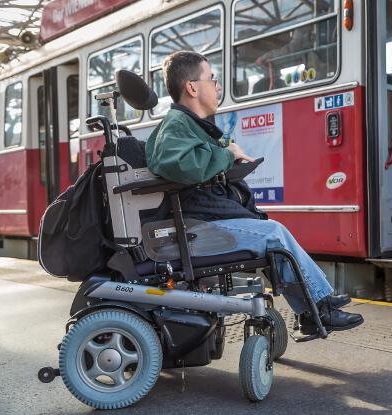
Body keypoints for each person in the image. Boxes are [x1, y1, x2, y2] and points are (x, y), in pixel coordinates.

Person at [145, 51, 363, 333]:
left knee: (273, 232)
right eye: (212, 79)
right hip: (195, 229)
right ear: (192, 87)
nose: (218, 86)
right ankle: (318, 309)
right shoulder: (175, 126)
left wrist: (229, 159)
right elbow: (181, 166)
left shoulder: (186, 125)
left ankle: (316, 307)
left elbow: (195, 166)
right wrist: (226, 154)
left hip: (201, 223)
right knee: (274, 234)